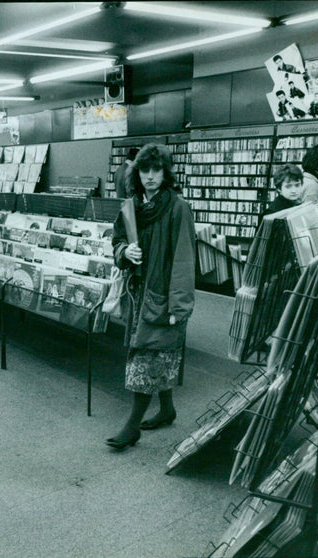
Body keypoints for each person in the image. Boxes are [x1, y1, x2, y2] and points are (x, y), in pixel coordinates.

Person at [106, 143, 196, 451]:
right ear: (137, 172)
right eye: (145, 170)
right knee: (160, 353)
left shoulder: (178, 207)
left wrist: (179, 305)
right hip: (138, 294)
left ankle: (132, 427)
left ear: (166, 172)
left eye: (157, 170)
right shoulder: (132, 206)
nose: (151, 176)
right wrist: (124, 251)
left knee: (147, 355)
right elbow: (116, 238)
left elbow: (184, 258)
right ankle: (167, 409)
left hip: (164, 294)